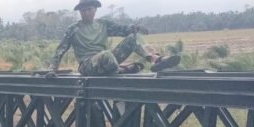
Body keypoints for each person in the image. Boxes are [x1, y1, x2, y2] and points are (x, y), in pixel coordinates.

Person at [47, 0, 181, 77]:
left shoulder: (103, 24)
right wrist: (52, 70)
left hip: (107, 61)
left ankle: (156, 59)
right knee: (106, 55)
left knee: (133, 38)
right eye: (83, 10)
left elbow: (123, 30)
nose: (86, 13)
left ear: (95, 10)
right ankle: (122, 69)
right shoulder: (73, 29)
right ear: (80, 12)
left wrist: (136, 28)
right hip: (87, 65)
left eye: (89, 9)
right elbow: (60, 50)